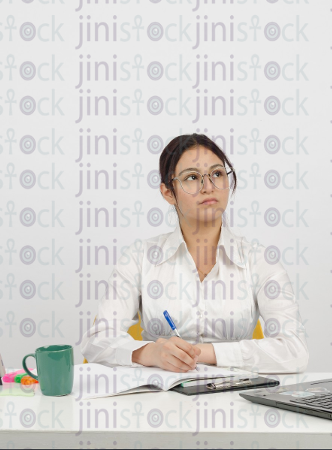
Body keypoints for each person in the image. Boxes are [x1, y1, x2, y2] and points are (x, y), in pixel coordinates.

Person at [80, 134, 309, 373]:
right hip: (159, 401)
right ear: (168, 192)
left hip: (235, 402)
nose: (208, 186)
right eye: (192, 177)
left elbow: (295, 351)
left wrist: (203, 353)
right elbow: (96, 341)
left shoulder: (259, 261)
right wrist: (151, 352)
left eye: (217, 174)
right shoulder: (140, 258)